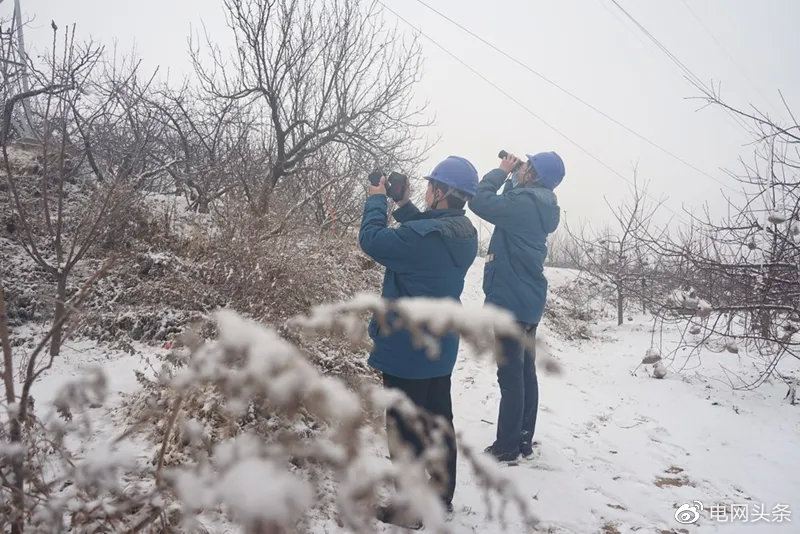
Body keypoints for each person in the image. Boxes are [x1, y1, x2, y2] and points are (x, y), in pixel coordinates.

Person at [359, 156, 479, 525]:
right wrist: (404, 203)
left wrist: (377, 199)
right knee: (438, 421)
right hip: (439, 346)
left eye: (431, 185)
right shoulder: (464, 233)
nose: (426, 189)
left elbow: (372, 240)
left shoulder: (421, 240)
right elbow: (427, 231)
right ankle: (441, 496)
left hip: (408, 350)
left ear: (441, 192)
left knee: (404, 430)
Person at [468, 151, 564, 462]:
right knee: (524, 373)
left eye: (527, 166)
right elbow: (510, 203)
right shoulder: (537, 204)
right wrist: (512, 178)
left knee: (510, 377)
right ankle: (522, 439)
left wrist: (500, 172)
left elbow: (479, 202)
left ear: (534, 175)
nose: (522, 168)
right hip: (528, 301)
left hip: (510, 302)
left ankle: (507, 446)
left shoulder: (523, 204)